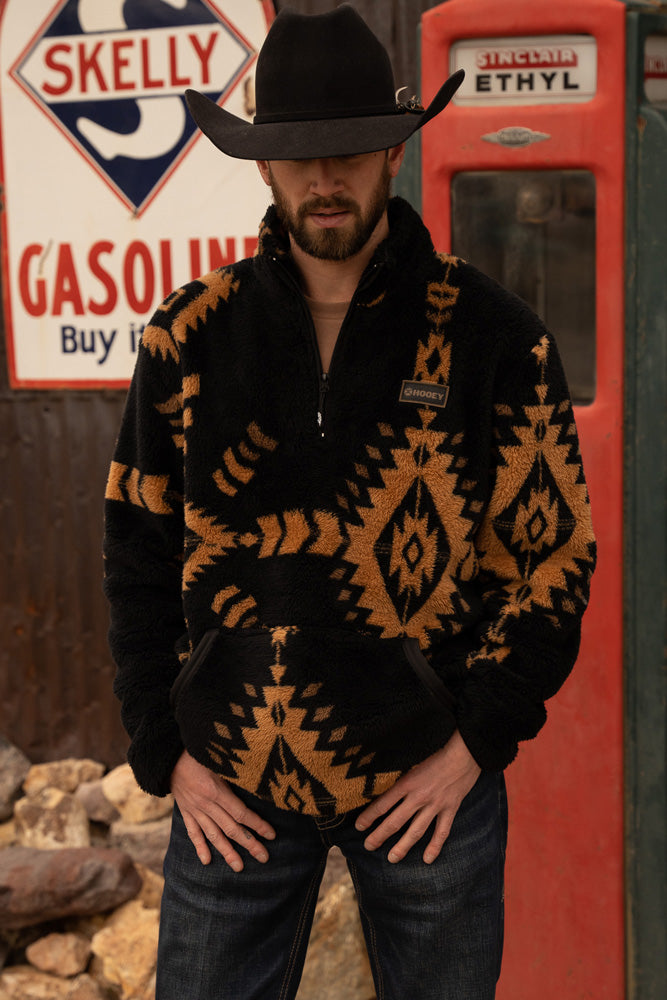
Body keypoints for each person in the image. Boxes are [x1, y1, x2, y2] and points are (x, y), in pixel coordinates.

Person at [103, 6, 596, 999]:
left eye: (348, 150)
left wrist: (474, 747)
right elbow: (136, 548)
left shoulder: (495, 337)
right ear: (263, 167)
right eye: (297, 154)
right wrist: (165, 752)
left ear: (391, 153)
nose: (324, 179)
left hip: (427, 785)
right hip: (231, 785)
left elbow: (553, 558)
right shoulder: (187, 336)